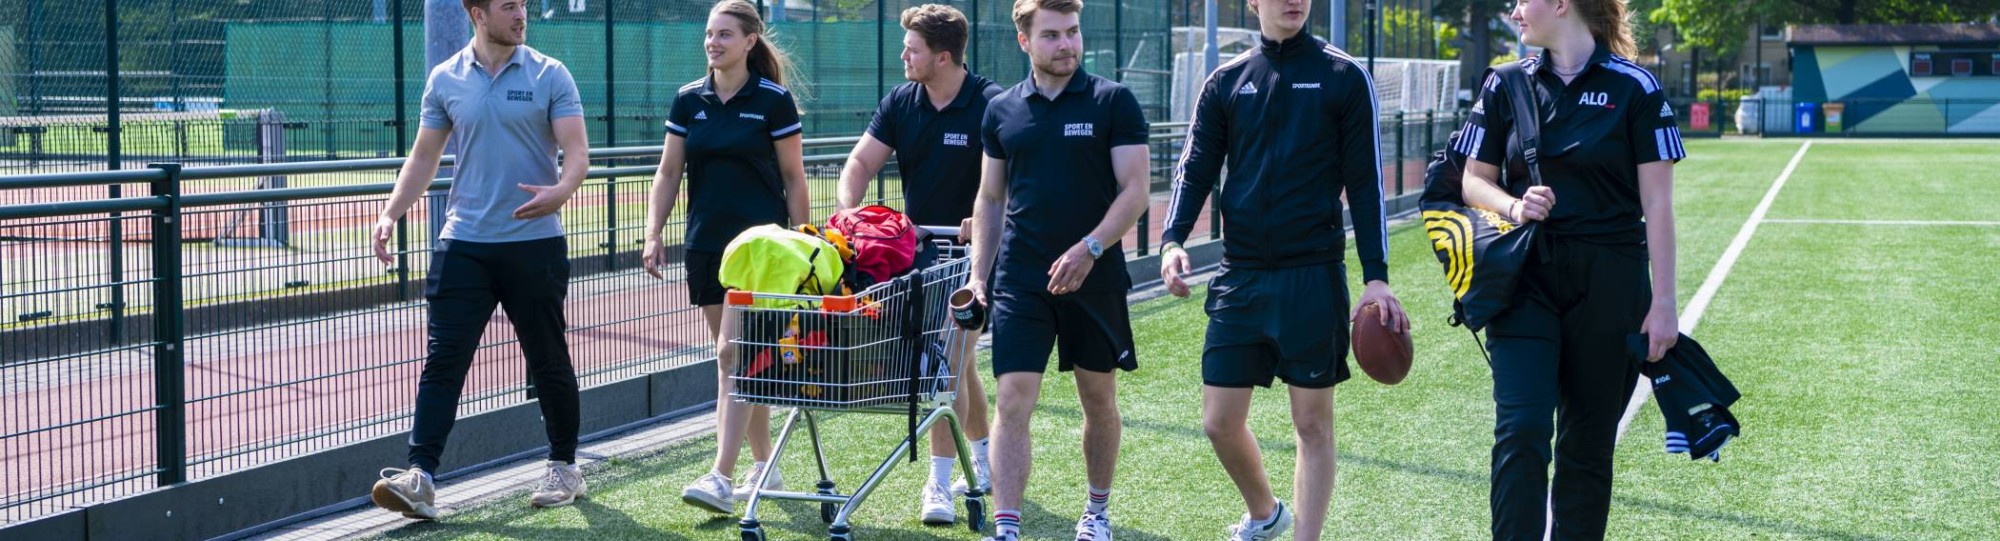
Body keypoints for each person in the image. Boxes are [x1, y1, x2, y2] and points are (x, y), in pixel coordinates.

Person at [1159, 0, 1410, 538]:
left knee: (1312, 423)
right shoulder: (1226, 81)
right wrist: (1172, 239)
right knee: (1219, 422)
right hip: (1240, 274)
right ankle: (1266, 513)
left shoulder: (1344, 75)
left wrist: (1377, 275)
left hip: (1312, 276)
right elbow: (1196, 164)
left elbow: (1366, 184)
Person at [1453, 0, 1684, 538]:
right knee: (1522, 428)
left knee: (1586, 443)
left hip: (1611, 285)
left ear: (1560, 4)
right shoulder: (1503, 84)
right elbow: (1471, 179)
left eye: (1521, 2)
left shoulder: (1637, 87)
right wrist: (1514, 205)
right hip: (1524, 279)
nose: (1512, 13)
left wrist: (1665, 303)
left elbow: (1659, 205)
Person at [366, 0, 590, 520]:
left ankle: (564, 466)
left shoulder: (550, 74)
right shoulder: (445, 78)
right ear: (476, 13)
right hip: (463, 244)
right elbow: (423, 157)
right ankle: (420, 477)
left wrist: (562, 190)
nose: (521, 14)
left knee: (547, 358)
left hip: (535, 244)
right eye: (508, 6)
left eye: (524, 5)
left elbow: (577, 153)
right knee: (444, 361)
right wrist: (390, 214)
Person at [966, 1, 1150, 539]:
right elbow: (991, 198)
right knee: (1012, 398)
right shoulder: (1001, 110)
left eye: (1072, 33)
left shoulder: (1112, 101)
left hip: (1096, 277)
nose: (1067, 45)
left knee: (1098, 398)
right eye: (1051, 35)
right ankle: (1007, 525)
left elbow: (1136, 191)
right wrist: (981, 275)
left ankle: (1096, 512)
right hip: (1022, 280)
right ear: (1024, 41)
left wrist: (1090, 247)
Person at [640, 0, 810, 515]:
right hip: (707, 247)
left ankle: (721, 474)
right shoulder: (688, 100)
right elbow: (668, 172)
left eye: (725, 35)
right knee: (742, 358)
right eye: (710, 34)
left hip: (763, 253)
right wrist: (653, 233)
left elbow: (794, 177)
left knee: (731, 356)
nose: (714, 43)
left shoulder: (774, 101)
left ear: (749, 42)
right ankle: (765, 463)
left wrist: (803, 239)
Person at [834, 3, 1000, 526]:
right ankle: (985, 459)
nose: (903, 55)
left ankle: (939, 484)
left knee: (945, 362)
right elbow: (860, 162)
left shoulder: (991, 104)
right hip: (917, 256)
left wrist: (980, 217)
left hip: (974, 256)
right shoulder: (901, 102)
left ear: (943, 56)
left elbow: (1011, 179)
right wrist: (850, 213)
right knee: (958, 362)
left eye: (913, 48)